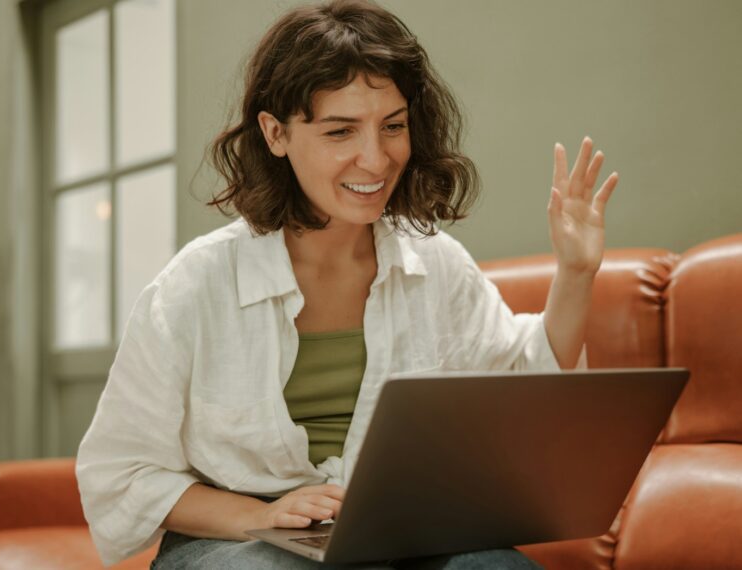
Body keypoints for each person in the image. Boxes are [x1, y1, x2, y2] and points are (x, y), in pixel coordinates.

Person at [76, 1, 618, 568]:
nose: (376, 159)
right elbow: (122, 472)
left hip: (398, 525)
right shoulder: (193, 287)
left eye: (393, 127)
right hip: (238, 537)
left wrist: (577, 273)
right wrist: (253, 515)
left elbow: (525, 385)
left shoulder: (437, 265)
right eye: (340, 131)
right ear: (275, 133)